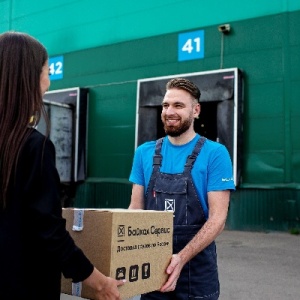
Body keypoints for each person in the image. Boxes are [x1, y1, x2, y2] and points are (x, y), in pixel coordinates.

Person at [0, 31, 125, 300]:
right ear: (29, 76)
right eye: (47, 71)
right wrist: (99, 282)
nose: (49, 80)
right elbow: (49, 231)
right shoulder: (33, 146)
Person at [128, 78, 235, 299]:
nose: (169, 111)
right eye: (166, 105)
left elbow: (217, 219)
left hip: (196, 274)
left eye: (178, 105)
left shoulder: (215, 153)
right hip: (152, 269)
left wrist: (181, 258)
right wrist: (125, 256)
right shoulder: (144, 153)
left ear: (196, 110)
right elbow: (135, 210)